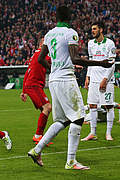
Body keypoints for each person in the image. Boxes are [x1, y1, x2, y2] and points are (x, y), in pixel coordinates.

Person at [27, 6, 113, 170]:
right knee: (79, 118)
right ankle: (71, 161)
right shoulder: (71, 33)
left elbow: (40, 59)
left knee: (62, 120)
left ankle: (37, 150)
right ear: (69, 17)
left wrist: (54, 68)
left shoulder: (49, 33)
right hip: (66, 79)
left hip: (53, 80)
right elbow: (75, 58)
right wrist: (100, 63)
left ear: (57, 17)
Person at [81, 21, 117, 141]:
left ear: (101, 30)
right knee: (92, 105)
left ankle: (108, 133)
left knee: (108, 105)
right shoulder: (91, 43)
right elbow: (90, 61)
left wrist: (105, 79)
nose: (93, 31)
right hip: (94, 79)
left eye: (95, 29)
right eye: (92, 29)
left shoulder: (110, 44)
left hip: (106, 80)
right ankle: (93, 133)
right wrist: (88, 76)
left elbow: (112, 64)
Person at [20, 38, 52, 144]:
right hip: (34, 85)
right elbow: (57, 63)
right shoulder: (42, 55)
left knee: (45, 109)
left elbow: (28, 71)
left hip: (32, 85)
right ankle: (38, 135)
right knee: (47, 107)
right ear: (41, 45)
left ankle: (40, 136)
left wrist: (24, 91)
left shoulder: (35, 55)